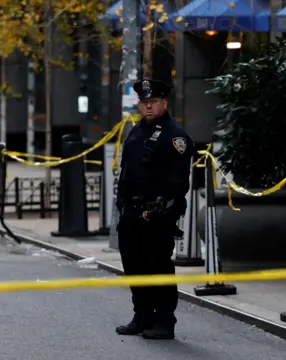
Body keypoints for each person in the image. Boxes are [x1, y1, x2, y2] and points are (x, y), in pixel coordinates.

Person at [114, 79, 194, 340]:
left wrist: (167, 211)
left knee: (158, 266)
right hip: (132, 211)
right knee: (133, 266)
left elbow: (179, 181)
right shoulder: (136, 131)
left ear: (164, 103)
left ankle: (163, 321)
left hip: (157, 213)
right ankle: (142, 315)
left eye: (153, 102)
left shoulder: (175, 136)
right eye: (144, 103)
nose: (147, 107)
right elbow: (127, 171)